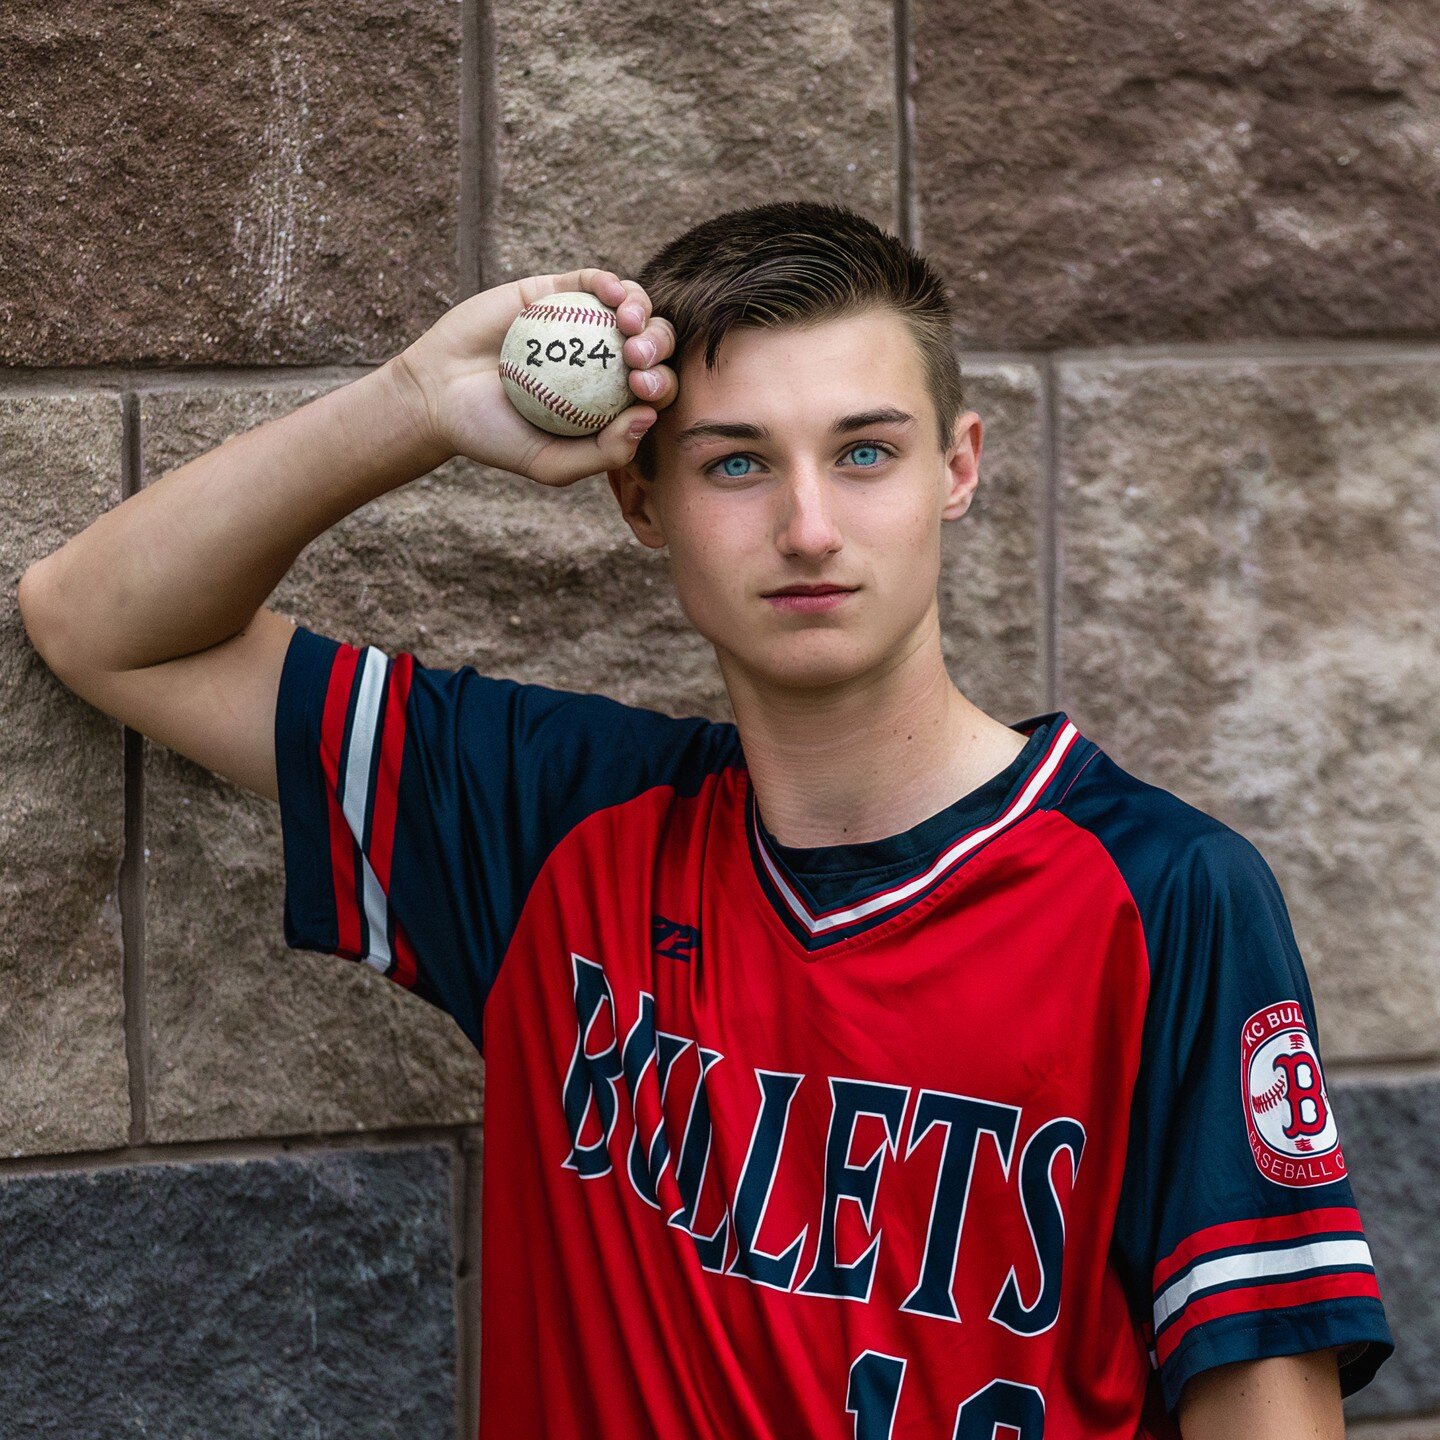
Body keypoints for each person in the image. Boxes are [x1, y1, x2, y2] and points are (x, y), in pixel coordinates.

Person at [18, 200, 1393, 1437]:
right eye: (736, 464)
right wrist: (413, 404)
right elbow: (102, 623)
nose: (808, 525)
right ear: (641, 498)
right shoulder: (557, 825)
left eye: (865, 452)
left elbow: (1261, 1410)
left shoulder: (1165, 895)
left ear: (958, 470)